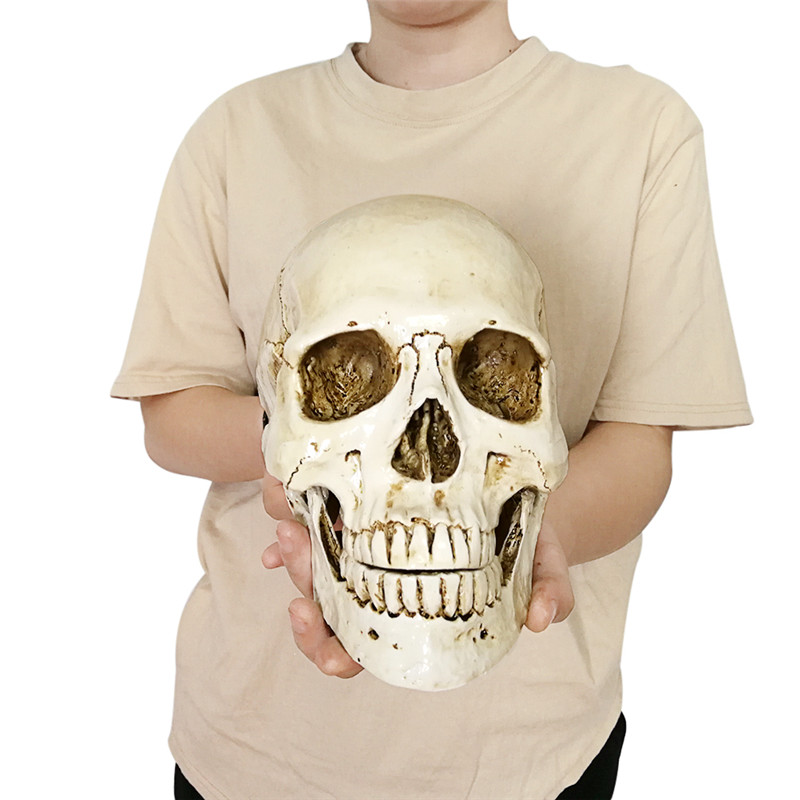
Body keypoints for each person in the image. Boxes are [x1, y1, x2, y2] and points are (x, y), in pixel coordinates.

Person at [112, 2, 752, 798]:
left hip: (532, 755)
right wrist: (296, 451)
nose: (423, 463)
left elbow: (639, 442)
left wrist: (541, 542)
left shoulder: (643, 131)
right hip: (252, 743)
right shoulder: (236, 136)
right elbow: (171, 412)